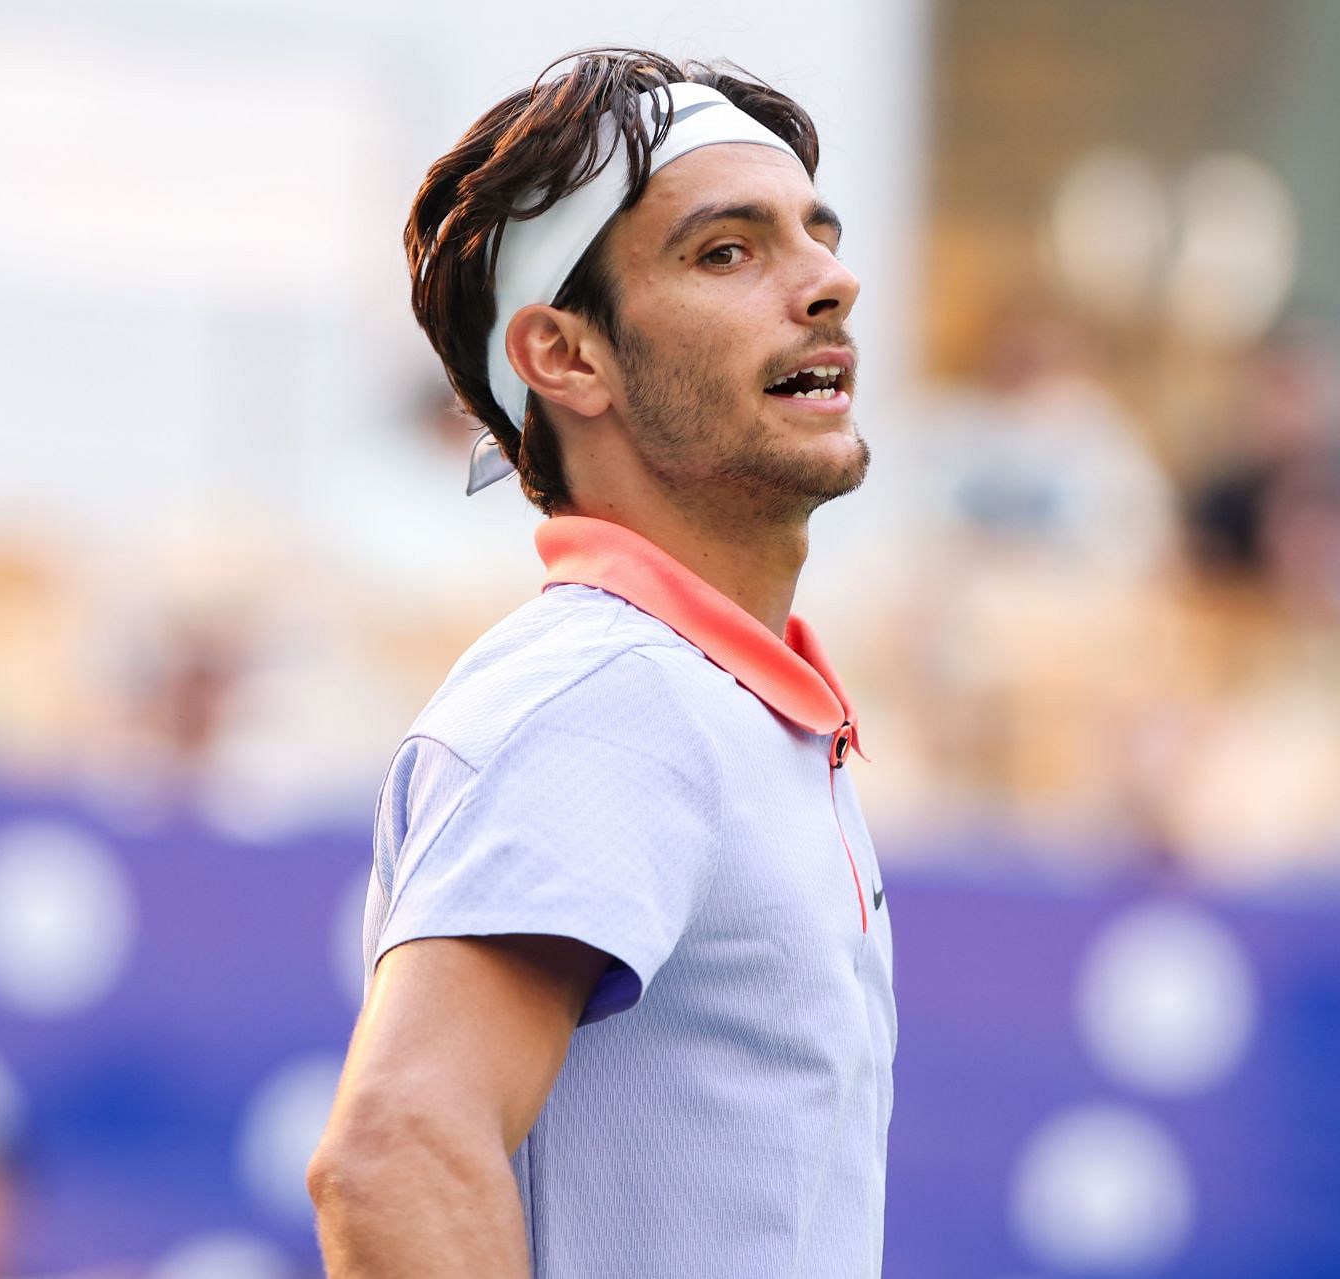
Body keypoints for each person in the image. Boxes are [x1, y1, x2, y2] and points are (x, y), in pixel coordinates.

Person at [307, 48, 896, 1278]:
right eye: (727, 251)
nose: (828, 283)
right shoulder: (613, 697)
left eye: (816, 236)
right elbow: (398, 1149)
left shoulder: (696, 696)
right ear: (566, 356)